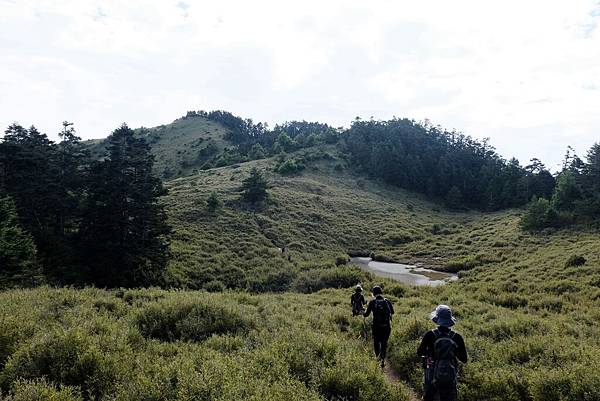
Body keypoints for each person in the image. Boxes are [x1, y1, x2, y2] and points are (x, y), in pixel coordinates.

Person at [417, 305, 467, 401]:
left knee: (429, 397)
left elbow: (420, 352)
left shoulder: (430, 334)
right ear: (450, 320)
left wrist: (431, 353)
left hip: (432, 372)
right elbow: (464, 359)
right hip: (450, 373)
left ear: (437, 319)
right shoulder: (457, 337)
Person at [363, 285, 394, 367]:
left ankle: (377, 359)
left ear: (373, 293)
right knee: (384, 343)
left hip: (376, 327)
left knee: (376, 343)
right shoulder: (387, 301)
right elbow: (392, 312)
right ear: (381, 292)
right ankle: (383, 360)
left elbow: (366, 315)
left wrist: (363, 311)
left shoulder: (372, 302)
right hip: (387, 326)